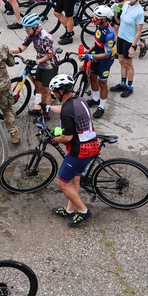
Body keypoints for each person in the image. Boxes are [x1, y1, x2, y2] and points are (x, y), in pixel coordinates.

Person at [48, 73, 100, 227]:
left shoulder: (67, 110)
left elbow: (67, 137)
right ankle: (70, 210)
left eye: (54, 92)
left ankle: (84, 211)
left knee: (62, 183)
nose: (54, 94)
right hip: (91, 145)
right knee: (74, 179)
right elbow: (65, 109)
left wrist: (53, 139)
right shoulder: (80, 100)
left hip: (80, 151)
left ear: (61, 91)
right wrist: (46, 107)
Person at [11, 13, 57, 117]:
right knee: (38, 87)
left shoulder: (46, 37)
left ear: (35, 27)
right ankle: (38, 108)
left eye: (27, 28)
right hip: (41, 63)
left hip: (50, 65)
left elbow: (50, 55)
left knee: (46, 91)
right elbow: (22, 48)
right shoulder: (31, 34)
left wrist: (36, 62)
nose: (25, 30)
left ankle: (46, 114)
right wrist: (8, 51)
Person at [82, 5, 117, 119]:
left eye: (97, 18)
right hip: (97, 55)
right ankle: (95, 99)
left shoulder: (110, 34)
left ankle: (101, 107)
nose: (94, 19)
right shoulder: (98, 25)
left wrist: (90, 57)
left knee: (102, 83)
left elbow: (107, 54)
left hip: (105, 60)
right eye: (94, 16)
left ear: (104, 19)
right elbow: (97, 42)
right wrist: (90, 50)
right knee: (92, 77)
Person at [112, 0, 146, 98]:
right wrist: (115, 11)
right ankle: (122, 83)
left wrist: (133, 46)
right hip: (121, 38)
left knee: (128, 64)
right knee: (121, 62)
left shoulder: (139, 12)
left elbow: (138, 32)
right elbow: (119, 18)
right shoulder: (127, 4)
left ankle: (129, 87)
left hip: (129, 41)